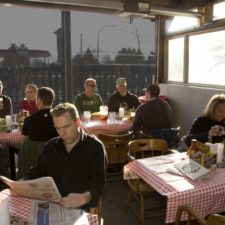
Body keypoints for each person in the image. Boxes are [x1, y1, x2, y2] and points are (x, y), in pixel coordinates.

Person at [25, 102, 107, 210]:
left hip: (80, 208)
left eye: (66, 127)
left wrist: (85, 197)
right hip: (51, 205)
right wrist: (22, 184)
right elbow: (37, 171)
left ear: (77, 122)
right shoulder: (51, 146)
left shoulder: (95, 147)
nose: (62, 133)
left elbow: (98, 182)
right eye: (57, 128)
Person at [17, 87, 58, 179]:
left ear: (39, 100)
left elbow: (25, 143)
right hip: (56, 162)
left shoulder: (28, 120)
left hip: (34, 165)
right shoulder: (59, 119)